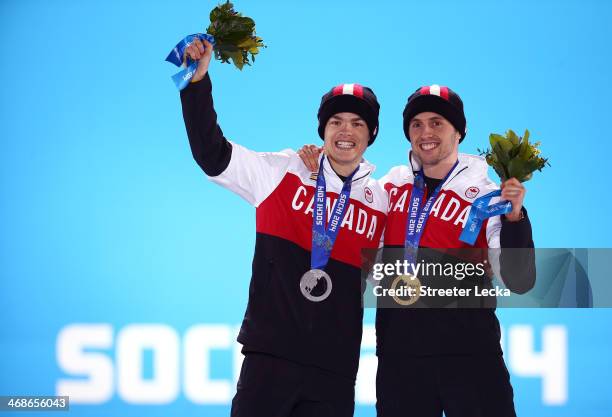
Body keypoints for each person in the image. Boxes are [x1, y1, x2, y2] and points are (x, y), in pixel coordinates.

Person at [179, 38, 388, 417]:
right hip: (270, 358)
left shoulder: (382, 202)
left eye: (358, 123)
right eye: (336, 121)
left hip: (334, 371)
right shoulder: (281, 171)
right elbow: (211, 153)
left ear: (371, 134)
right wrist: (198, 83)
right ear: (323, 129)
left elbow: (405, 272)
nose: (346, 130)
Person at [298, 84, 536, 417]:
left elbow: (519, 279)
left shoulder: (489, 197)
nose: (426, 132)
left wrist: (514, 218)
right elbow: (341, 202)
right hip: (400, 362)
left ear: (460, 132)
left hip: (471, 358)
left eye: (437, 122)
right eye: (417, 124)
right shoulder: (387, 189)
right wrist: (314, 166)